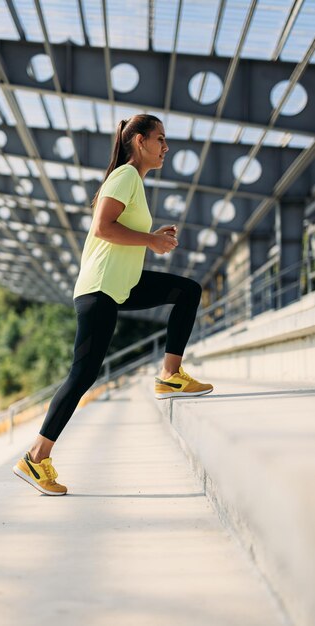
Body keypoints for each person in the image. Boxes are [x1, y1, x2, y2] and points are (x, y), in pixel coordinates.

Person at [13, 114, 213, 496]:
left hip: (120, 286)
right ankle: (36, 458)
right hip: (100, 288)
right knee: (83, 374)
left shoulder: (132, 180)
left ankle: (170, 375)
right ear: (139, 141)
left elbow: (118, 230)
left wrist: (151, 236)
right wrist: (151, 242)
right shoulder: (124, 176)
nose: (165, 147)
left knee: (186, 291)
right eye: (160, 139)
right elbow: (104, 228)